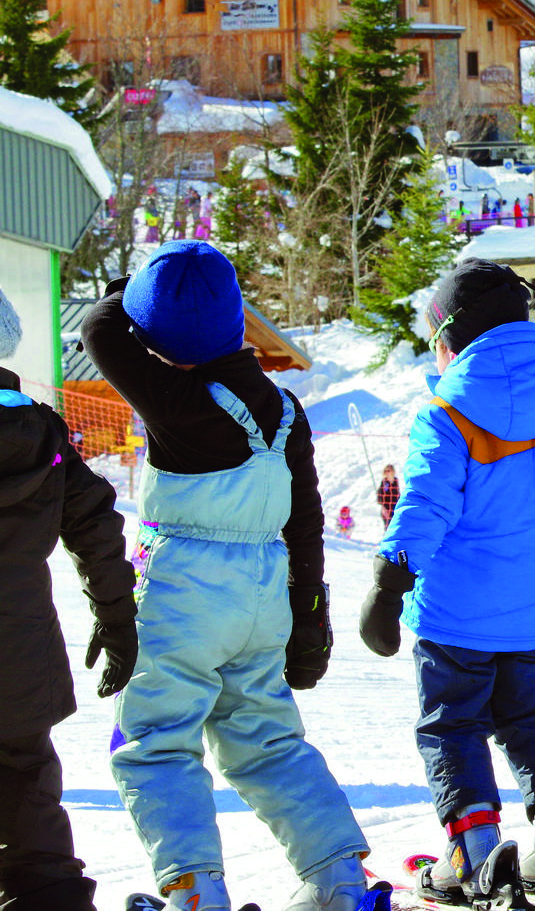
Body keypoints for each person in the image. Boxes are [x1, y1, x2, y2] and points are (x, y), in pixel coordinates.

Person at [80, 241, 376, 911]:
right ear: (237, 320)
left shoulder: (173, 398)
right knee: (267, 739)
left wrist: (136, 289)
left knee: (156, 740)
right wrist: (310, 618)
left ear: (158, 337)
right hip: (265, 591)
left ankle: (194, 889)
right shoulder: (286, 411)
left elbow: (100, 326)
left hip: (184, 590)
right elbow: (306, 524)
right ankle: (339, 879)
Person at [358, 259, 535, 906]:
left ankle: (478, 854)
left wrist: (390, 579)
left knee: (452, 727)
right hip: (532, 619)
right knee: (530, 721)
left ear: (451, 339)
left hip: (455, 621)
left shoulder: (448, 411)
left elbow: (424, 505)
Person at [0, 287, 137, 911]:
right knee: (28, 787)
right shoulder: (42, 430)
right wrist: (116, 617)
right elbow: (96, 524)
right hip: (19, 655)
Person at [376, 465, 401, 530]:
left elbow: (397, 494)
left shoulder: (395, 481)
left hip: (394, 507)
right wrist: (383, 507)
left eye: (388, 470)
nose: (387, 472)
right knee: (388, 527)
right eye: (385, 471)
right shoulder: (384, 482)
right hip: (387, 508)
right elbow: (380, 494)